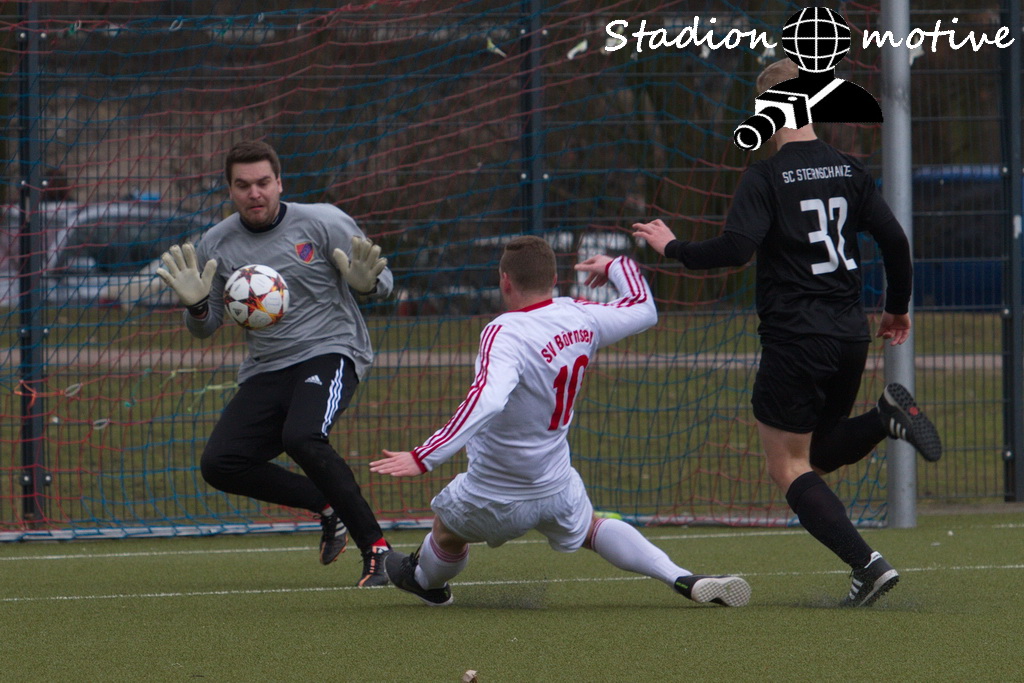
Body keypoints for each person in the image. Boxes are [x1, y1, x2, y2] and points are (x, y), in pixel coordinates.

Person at [632, 58, 942, 607]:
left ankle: (867, 565)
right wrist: (896, 310)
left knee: (787, 466)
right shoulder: (849, 169)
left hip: (796, 337)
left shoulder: (766, 175)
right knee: (817, 453)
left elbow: (736, 249)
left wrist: (673, 247)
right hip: (849, 335)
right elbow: (895, 242)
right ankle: (884, 417)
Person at [369, 236, 751, 608]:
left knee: (446, 532)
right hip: (554, 486)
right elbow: (644, 309)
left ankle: (427, 584)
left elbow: (488, 399)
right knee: (592, 528)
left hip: (493, 494)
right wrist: (618, 266)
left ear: (505, 280)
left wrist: (423, 456)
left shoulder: (504, 331)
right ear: (553, 279)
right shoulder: (579, 314)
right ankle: (681, 576)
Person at [157, 140, 393, 587]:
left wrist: (367, 284)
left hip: (330, 349)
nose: (255, 193)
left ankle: (377, 550)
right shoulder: (216, 243)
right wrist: (195, 307)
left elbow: (384, 282)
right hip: (266, 366)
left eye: (263, 182)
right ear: (230, 190)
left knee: (302, 436)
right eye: (243, 185)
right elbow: (205, 327)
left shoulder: (324, 222)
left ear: (279, 182)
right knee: (221, 463)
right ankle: (326, 504)